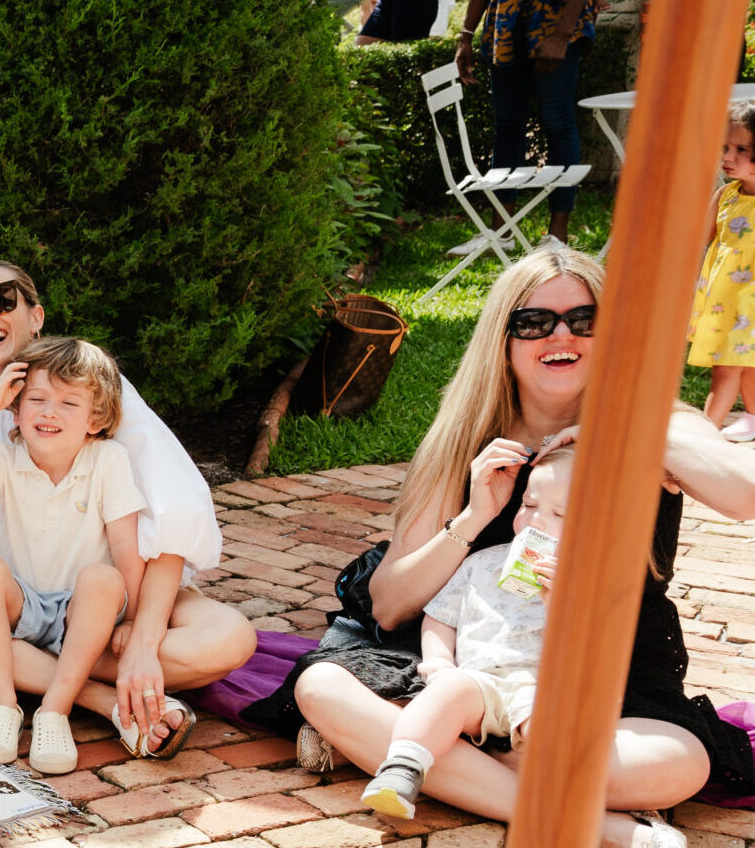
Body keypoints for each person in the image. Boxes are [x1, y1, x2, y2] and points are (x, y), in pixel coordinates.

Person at [273, 247, 755, 845]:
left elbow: (745, 497)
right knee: (321, 687)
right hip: (466, 661)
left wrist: (628, 426)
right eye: (534, 322)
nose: (562, 335)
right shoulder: (465, 440)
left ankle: (412, 751)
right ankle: (592, 823)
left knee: (674, 766)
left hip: (601, 666)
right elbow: (391, 605)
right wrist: (475, 517)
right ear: (504, 339)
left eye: (586, 319)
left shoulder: (662, 426)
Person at [0, 259, 253, 758]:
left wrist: (142, 642)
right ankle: (99, 699)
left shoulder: (88, 386)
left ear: (36, 316)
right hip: (11, 600)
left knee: (228, 638)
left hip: (101, 602)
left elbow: (171, 523)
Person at [0, 337, 147, 776]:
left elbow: (126, 549)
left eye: (68, 403)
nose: (49, 412)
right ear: (16, 410)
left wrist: (132, 620)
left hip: (84, 612)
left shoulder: (108, 460)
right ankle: (4, 706)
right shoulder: (7, 457)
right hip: (22, 605)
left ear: (96, 419)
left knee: (102, 577)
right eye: (36, 399)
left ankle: (54, 710)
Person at [356, 445, 571, 820]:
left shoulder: (589, 579)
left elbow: (592, 649)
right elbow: (441, 617)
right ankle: (402, 769)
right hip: (478, 681)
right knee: (446, 694)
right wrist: (439, 661)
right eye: (529, 505)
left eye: (560, 514)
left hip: (542, 686)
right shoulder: (482, 562)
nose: (536, 521)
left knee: (554, 730)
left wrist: (561, 600)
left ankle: (570, 798)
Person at [453, 0, 604, 247]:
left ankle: (557, 235)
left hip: (556, 13)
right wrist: (465, 35)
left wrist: (562, 34)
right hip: (505, 17)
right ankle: (501, 232)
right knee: (508, 125)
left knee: (557, 120)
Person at [685, 102, 755, 439]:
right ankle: (752, 417)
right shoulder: (726, 196)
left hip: (750, 306)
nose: (727, 156)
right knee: (745, 366)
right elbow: (699, 238)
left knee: (727, 368)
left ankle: (704, 435)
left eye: (741, 149)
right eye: (725, 147)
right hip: (725, 302)